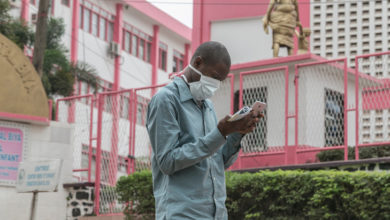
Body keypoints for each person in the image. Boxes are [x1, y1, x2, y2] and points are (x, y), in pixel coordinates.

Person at [146, 41, 262, 219]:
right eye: (213, 77)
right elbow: (167, 162)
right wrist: (220, 133)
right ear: (198, 63)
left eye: (219, 81)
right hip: (182, 214)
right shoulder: (166, 100)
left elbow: (216, 161)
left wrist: (237, 133)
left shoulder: (207, 105)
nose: (215, 85)